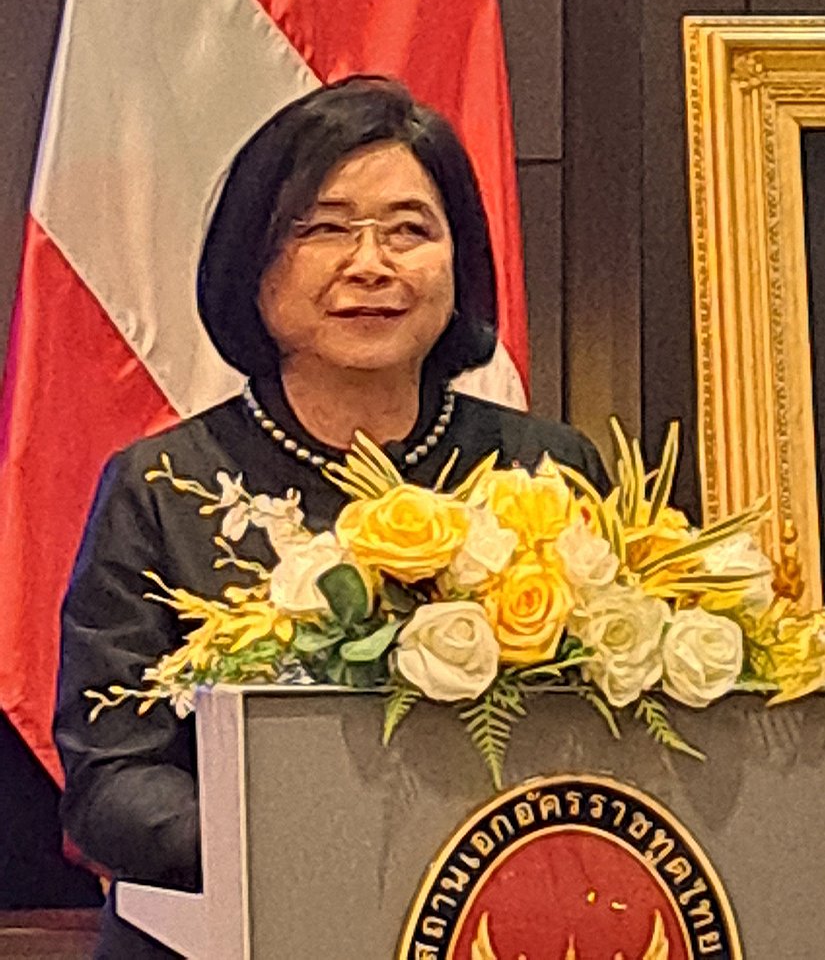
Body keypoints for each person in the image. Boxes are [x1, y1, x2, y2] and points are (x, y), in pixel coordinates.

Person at [54, 76, 609, 957]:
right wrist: (311, 849)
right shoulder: (162, 487)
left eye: (408, 230)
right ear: (253, 261)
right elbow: (112, 782)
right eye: (323, 229)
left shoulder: (545, 471)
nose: (371, 264)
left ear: (459, 260)